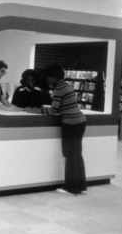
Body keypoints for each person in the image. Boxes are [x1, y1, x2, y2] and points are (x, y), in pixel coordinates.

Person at [26, 64, 87, 195]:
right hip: (81, 121)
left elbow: (53, 110)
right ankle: (82, 187)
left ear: (54, 77)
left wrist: (35, 110)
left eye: (48, 77)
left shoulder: (59, 88)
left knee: (69, 155)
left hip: (70, 123)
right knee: (77, 154)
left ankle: (71, 188)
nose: (47, 80)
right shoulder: (67, 85)